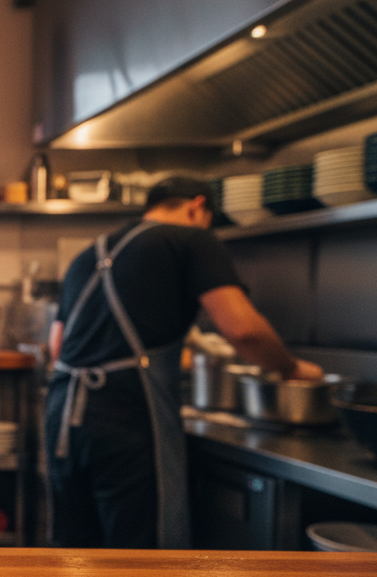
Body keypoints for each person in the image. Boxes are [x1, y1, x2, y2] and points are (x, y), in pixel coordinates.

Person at [45, 176, 322, 549]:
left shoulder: (89, 253)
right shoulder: (192, 239)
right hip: (127, 416)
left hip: (63, 416)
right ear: (196, 207)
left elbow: (56, 346)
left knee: (75, 556)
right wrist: (290, 369)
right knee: (144, 559)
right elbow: (243, 331)